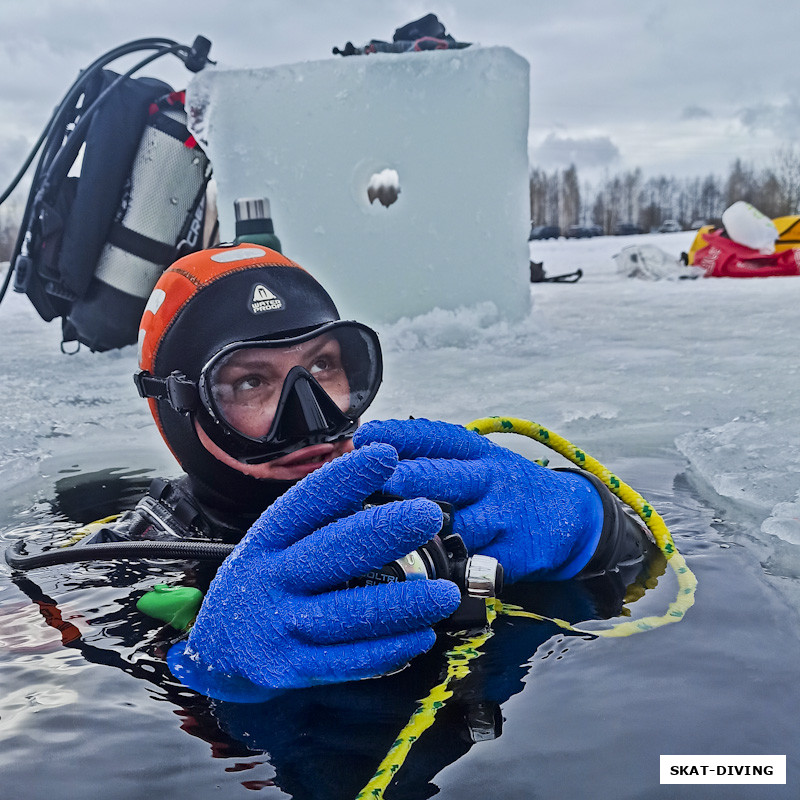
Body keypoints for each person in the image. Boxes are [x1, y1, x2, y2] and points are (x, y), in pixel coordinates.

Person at [75, 242, 653, 699]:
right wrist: (207, 669)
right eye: (251, 381)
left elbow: (653, 565)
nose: (312, 418)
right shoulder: (127, 564)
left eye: (323, 366)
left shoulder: (426, 492)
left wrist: (591, 524)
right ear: (180, 409)